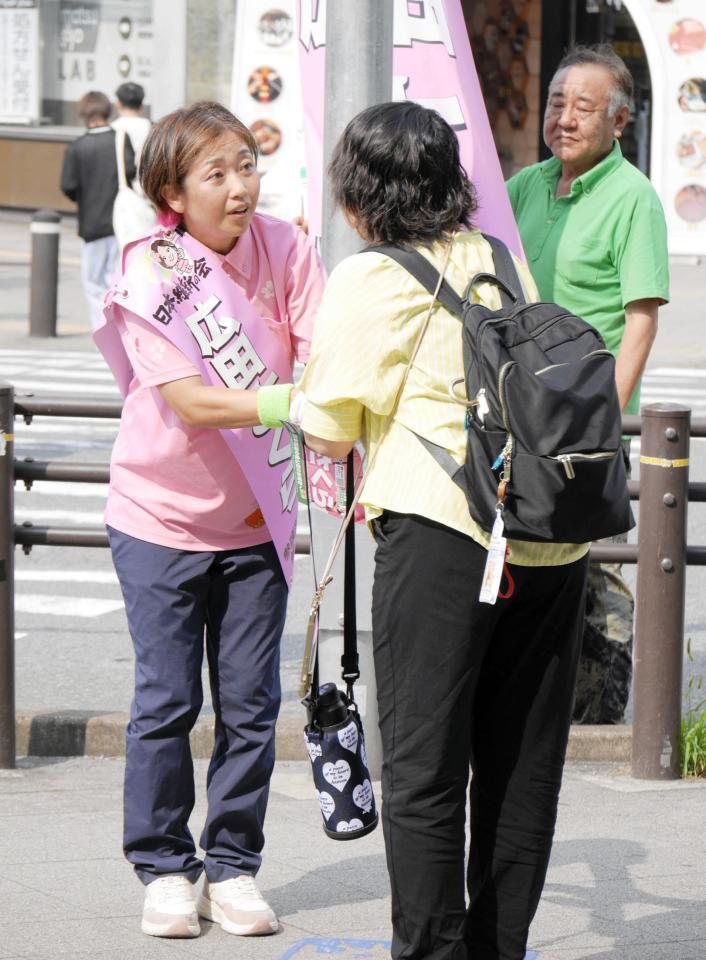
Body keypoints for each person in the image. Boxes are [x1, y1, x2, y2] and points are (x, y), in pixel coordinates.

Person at [301, 100, 590, 960]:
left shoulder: (372, 275)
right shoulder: (497, 256)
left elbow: (327, 427)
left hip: (445, 532)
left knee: (426, 770)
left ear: (360, 191)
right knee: (522, 768)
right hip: (550, 537)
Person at [94, 101, 325, 939]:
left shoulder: (290, 248)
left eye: (246, 165)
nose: (238, 188)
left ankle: (232, 867)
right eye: (215, 174)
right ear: (171, 193)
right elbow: (190, 401)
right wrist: (290, 402)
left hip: (255, 520)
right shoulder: (154, 268)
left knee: (251, 705)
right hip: (158, 515)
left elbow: (320, 349)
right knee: (164, 699)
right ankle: (162, 867)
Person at [506, 45, 670, 724]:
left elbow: (639, 324)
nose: (563, 117)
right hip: (521, 420)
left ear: (620, 121)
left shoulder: (634, 198)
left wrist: (606, 426)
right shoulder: (523, 186)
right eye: (555, 101)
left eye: (583, 106)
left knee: (597, 574)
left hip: (588, 428)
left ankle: (598, 722)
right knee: (525, 567)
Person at [60, 90, 135, 330]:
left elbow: (68, 186)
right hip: (120, 222)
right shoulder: (120, 139)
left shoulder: (77, 147)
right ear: (107, 110)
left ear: (83, 113)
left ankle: (103, 329)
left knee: (93, 283)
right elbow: (131, 172)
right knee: (117, 280)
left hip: (91, 224)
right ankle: (122, 328)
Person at [113, 81, 152, 173]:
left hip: (120, 184)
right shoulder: (152, 128)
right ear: (141, 106)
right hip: (146, 183)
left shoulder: (112, 129)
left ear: (118, 104)